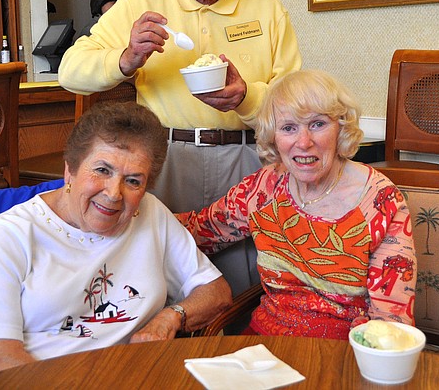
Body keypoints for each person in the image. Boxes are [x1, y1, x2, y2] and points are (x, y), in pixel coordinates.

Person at [58, 0, 302, 294]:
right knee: (157, 282)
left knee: (247, 283)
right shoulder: (143, 2)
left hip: (247, 161)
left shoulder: (268, 8)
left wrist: (247, 98)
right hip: (164, 163)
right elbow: (70, 70)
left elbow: (293, 104)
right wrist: (126, 58)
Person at [0, 101, 232, 388]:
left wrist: (171, 317)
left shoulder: (151, 214)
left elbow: (216, 292)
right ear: (70, 171)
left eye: (133, 181)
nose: (114, 193)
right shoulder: (10, 234)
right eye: (102, 170)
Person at [178, 70, 416, 339]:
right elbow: (200, 230)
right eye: (289, 128)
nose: (304, 143)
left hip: (344, 351)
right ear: (274, 137)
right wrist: (138, 214)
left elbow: (392, 321)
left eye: (317, 124)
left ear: (341, 128)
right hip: (261, 345)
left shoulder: (380, 200)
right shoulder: (265, 188)